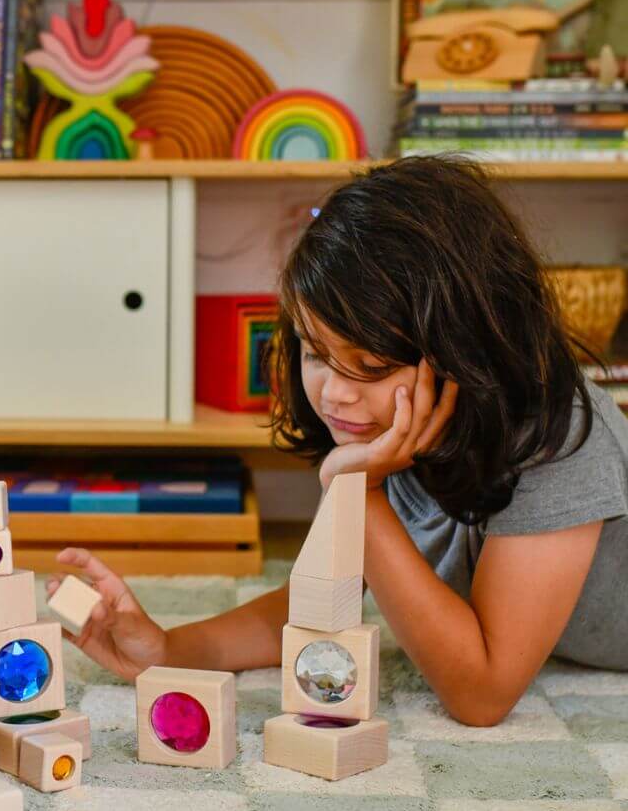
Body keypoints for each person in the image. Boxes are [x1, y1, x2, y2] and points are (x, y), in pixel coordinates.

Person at [47, 156, 628, 726]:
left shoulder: (560, 434)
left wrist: (358, 489)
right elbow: (313, 605)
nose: (334, 395)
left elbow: (481, 695)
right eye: (314, 353)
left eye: (369, 365)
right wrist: (167, 651)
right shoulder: (385, 434)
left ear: (464, 355)